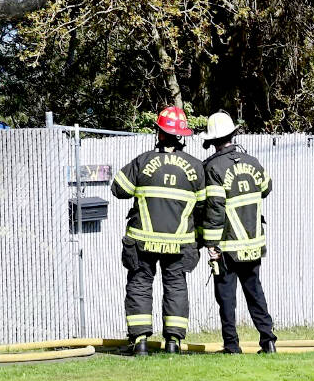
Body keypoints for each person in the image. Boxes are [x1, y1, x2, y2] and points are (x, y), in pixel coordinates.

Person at [110, 105, 206, 354]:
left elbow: (118, 189)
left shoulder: (143, 161)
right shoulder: (196, 167)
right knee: (175, 286)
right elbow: (205, 206)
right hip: (180, 243)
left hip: (141, 242)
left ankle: (140, 341)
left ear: (160, 133)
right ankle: (173, 342)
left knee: (140, 284)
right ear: (182, 136)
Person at [200, 110, 276, 354]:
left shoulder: (212, 168)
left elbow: (214, 208)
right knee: (255, 292)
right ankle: (269, 341)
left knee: (226, 297)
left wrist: (210, 244)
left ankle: (232, 346)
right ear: (234, 133)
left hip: (226, 247)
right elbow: (266, 188)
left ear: (212, 141)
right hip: (253, 244)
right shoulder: (253, 162)